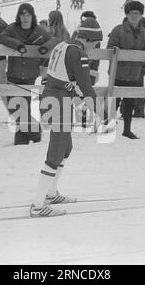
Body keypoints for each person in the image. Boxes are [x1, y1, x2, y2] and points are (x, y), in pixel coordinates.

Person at [31, 18, 105, 217]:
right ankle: (38, 205)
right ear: (89, 39)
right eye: (96, 43)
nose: (94, 47)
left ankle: (51, 193)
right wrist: (102, 115)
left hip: (54, 99)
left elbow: (55, 77)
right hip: (58, 103)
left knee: (66, 148)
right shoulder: (77, 52)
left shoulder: (62, 45)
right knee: (56, 152)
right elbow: (86, 87)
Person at [0, 3, 58, 146]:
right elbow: (1, 37)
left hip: (30, 75)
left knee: (23, 108)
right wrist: (17, 45)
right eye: (22, 14)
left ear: (32, 16)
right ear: (19, 16)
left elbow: (55, 40)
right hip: (13, 74)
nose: (25, 18)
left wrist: (44, 48)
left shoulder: (38, 30)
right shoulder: (13, 28)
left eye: (28, 14)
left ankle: (21, 141)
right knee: (15, 108)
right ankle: (35, 132)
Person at [107, 1, 145, 139]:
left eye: (137, 14)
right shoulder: (118, 30)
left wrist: (142, 70)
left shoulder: (144, 33)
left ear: (141, 16)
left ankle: (127, 130)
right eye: (132, 13)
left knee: (130, 102)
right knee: (115, 100)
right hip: (118, 73)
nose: (134, 16)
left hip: (134, 75)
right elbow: (110, 48)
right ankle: (108, 127)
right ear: (127, 14)